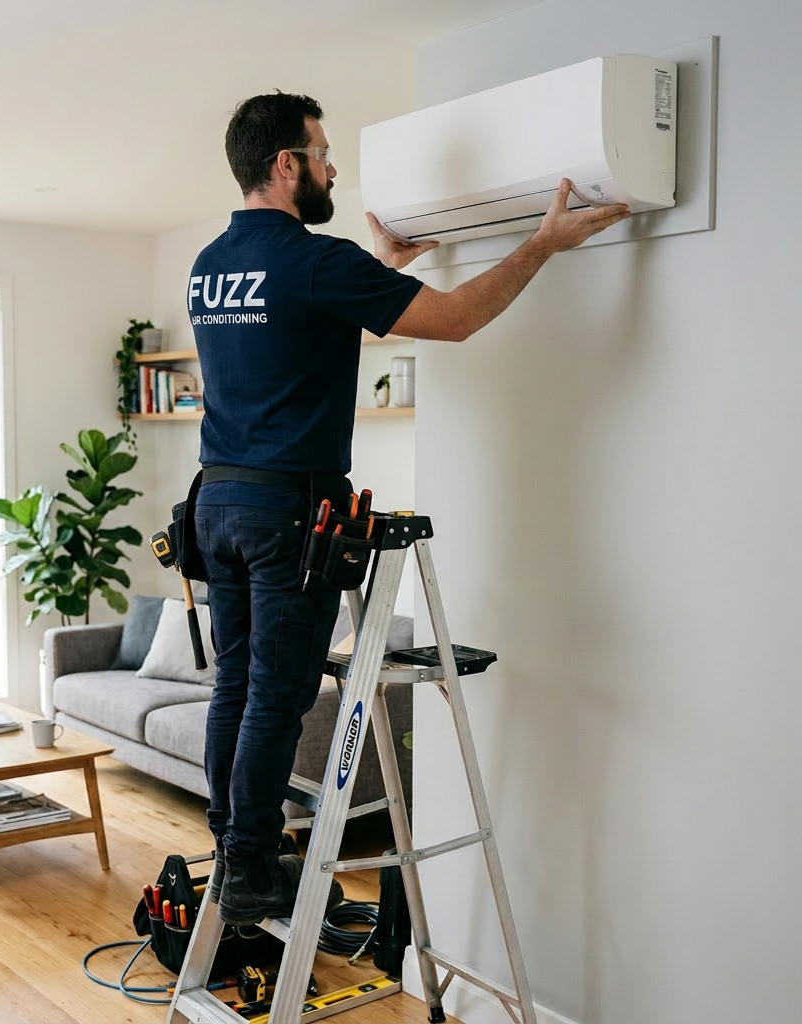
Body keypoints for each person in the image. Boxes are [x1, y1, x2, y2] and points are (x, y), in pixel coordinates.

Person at [188, 91, 628, 927]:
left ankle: (233, 845)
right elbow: (455, 320)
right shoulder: (317, 259)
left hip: (217, 501)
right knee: (277, 698)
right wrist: (543, 244)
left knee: (236, 688)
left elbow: (295, 328)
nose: (332, 167)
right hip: (289, 512)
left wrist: (377, 265)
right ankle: (249, 869)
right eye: (322, 153)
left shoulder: (210, 263)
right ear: (287, 164)